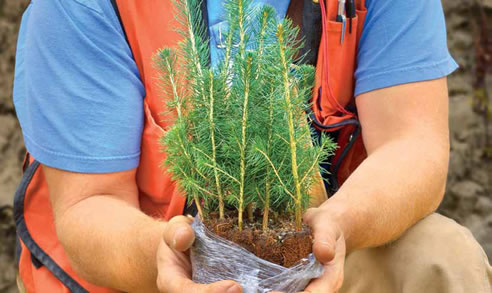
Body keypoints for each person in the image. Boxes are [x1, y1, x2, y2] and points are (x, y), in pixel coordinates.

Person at [12, 0, 492, 292]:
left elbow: (413, 143)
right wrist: (164, 257)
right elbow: (88, 205)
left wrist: (338, 226)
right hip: (139, 274)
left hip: (324, 264)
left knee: (441, 256)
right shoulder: (81, 7)